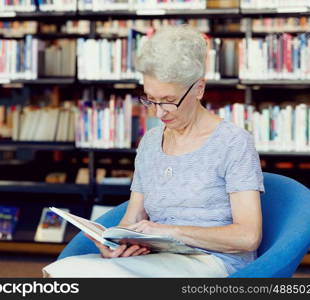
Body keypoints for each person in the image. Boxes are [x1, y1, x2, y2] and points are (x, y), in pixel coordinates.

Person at [43, 25, 264, 278]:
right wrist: (115, 245)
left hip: (213, 262)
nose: (158, 113)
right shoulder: (150, 143)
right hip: (157, 260)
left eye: (169, 101)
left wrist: (170, 231)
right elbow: (132, 219)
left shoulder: (234, 143)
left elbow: (248, 237)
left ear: (199, 88)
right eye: (150, 99)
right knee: (60, 272)